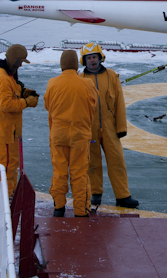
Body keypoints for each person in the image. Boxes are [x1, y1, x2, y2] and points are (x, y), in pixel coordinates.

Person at [79, 42, 139, 209]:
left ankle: (123, 196)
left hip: (110, 127)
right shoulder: (80, 79)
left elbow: (119, 102)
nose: (92, 61)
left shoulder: (112, 76)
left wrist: (121, 127)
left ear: (100, 58)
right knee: (92, 162)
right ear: (84, 60)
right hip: (89, 128)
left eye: (95, 57)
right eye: (89, 58)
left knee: (117, 160)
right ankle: (95, 193)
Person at [44, 50, 98, 217]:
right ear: (77, 64)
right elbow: (93, 105)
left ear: (61, 64)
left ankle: (59, 207)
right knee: (80, 172)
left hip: (58, 134)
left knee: (59, 171)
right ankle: (81, 210)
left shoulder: (52, 83)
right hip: (79, 135)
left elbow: (48, 105)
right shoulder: (87, 84)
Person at [0, 44, 38, 201]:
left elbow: (11, 92)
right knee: (7, 162)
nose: (21, 64)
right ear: (14, 60)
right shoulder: (3, 78)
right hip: (6, 130)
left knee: (10, 162)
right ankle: (3, 196)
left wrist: (22, 92)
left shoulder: (7, 75)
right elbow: (6, 104)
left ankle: (7, 193)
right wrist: (26, 102)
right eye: (20, 61)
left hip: (10, 129)